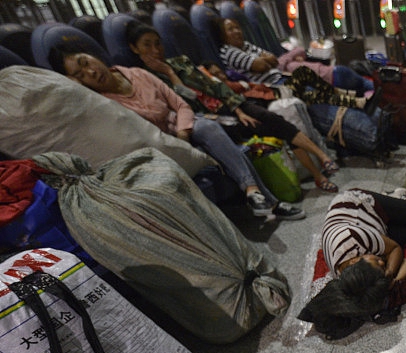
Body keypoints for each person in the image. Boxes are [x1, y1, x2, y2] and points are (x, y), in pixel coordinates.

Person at [55, 50, 304, 220]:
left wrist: (183, 135)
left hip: (185, 128)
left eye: (85, 63)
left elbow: (180, 104)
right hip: (160, 146)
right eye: (80, 75)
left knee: (208, 128)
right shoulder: (104, 104)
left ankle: (254, 192)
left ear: (93, 55)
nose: (90, 72)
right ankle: (268, 202)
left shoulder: (137, 73)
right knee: (216, 137)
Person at [126, 23, 339, 192]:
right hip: (206, 118)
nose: (155, 50)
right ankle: (318, 174)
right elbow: (185, 102)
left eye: (158, 43)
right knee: (269, 126)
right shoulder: (145, 79)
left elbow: (214, 86)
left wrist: (238, 109)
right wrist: (170, 74)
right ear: (134, 48)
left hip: (228, 104)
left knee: (273, 119)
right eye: (147, 45)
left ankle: (322, 160)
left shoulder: (181, 61)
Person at [302, 189, 406, 338]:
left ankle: (389, 197)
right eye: (381, 264)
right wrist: (394, 281)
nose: (381, 261)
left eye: (377, 261)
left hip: (358, 206)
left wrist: (389, 273)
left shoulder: (355, 239)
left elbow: (395, 249)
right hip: (371, 229)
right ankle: (386, 226)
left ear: (355, 260)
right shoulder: (352, 279)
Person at [212, 17, 372, 95]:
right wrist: (267, 61)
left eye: (237, 27)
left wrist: (266, 61)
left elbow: (272, 60)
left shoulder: (246, 45)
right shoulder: (229, 51)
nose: (237, 31)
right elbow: (264, 64)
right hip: (278, 83)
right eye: (230, 29)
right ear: (223, 36)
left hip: (287, 77)